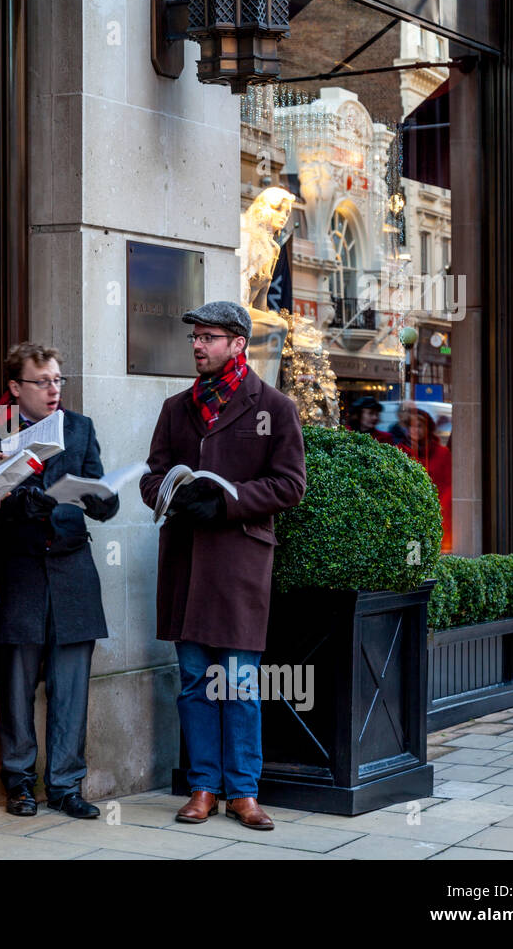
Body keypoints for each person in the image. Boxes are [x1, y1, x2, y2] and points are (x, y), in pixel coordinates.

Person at [139, 301, 306, 831]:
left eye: (208, 337)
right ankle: (203, 788)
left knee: (237, 683)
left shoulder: (274, 406)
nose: (197, 345)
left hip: (238, 564)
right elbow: (152, 475)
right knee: (193, 681)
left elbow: (290, 484)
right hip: (186, 562)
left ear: (237, 343)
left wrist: (226, 503)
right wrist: (171, 496)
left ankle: (244, 793)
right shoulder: (175, 407)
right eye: (194, 337)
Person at [0, 342, 118, 820]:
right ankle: (19, 782)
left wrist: (100, 498)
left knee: (71, 684)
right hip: (19, 569)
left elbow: (98, 486)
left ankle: (67, 785)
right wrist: (17, 502)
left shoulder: (79, 427)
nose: (54, 390)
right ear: (15, 388)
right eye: (42, 381)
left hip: (73, 570)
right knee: (15, 683)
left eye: (58, 380)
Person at [398, 406, 452, 554]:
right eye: (411, 426)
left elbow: (449, 485)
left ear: (427, 429)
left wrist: (439, 508)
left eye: (419, 426)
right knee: (413, 558)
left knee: (435, 555)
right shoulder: (401, 451)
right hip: (411, 515)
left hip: (437, 515)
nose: (414, 430)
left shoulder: (442, 453)